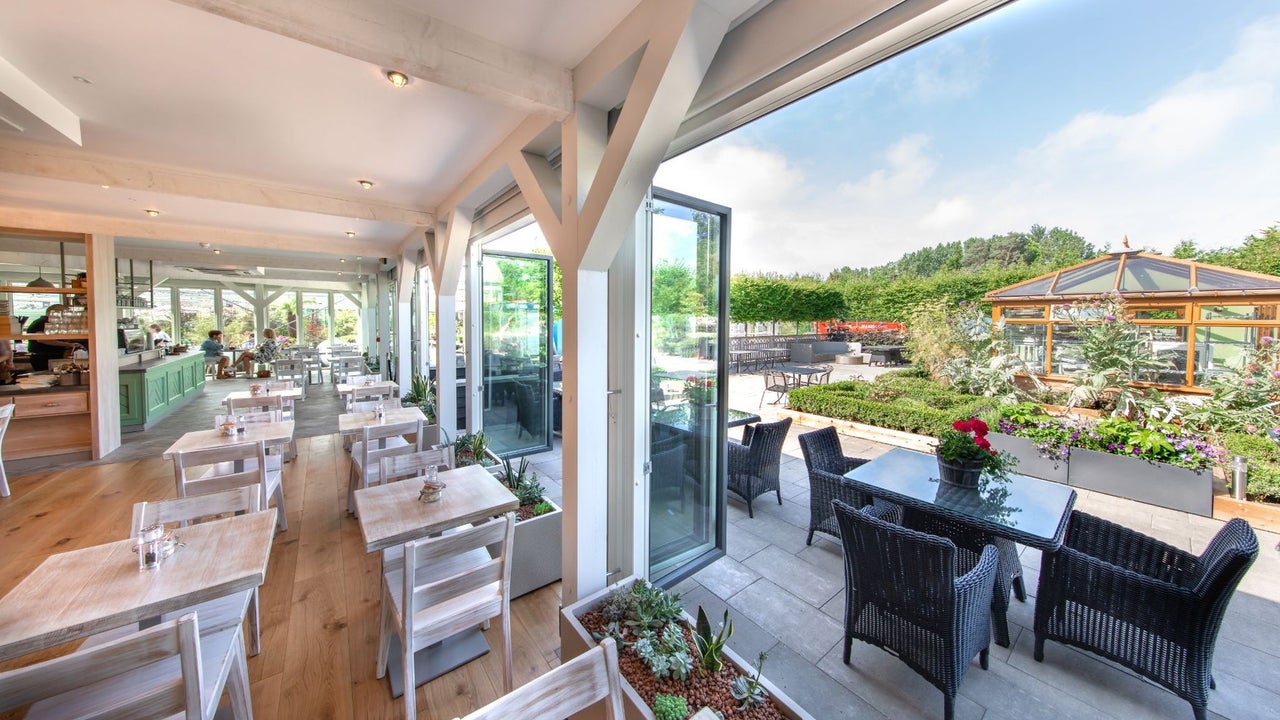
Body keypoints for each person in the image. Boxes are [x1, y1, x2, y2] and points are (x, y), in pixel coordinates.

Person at [26, 304, 82, 371]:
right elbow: (42, 339)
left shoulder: (53, 323)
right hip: (43, 357)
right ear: (55, 312)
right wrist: (69, 345)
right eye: (64, 313)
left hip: (51, 357)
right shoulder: (41, 322)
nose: (65, 316)